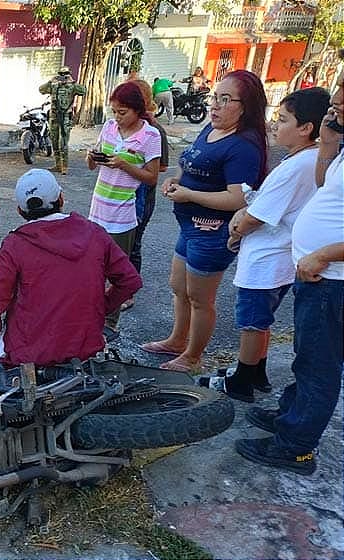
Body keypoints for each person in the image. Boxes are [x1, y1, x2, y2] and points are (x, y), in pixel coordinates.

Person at [0, 169, 141, 378]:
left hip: (29, 355)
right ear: (61, 198)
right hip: (86, 347)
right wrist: (100, 309)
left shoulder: (15, 245)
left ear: (20, 211)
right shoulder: (94, 233)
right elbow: (129, 281)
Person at [235, 76, 343, 476]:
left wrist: (325, 254)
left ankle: (296, 447)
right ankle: (290, 415)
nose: (338, 98)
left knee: (320, 366)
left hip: (332, 274)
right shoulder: (336, 145)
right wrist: (331, 142)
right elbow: (324, 185)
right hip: (319, 272)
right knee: (309, 355)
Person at [200, 88, 329, 401]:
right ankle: (255, 371)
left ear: (305, 128)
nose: (275, 124)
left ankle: (241, 381)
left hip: (267, 256)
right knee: (262, 319)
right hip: (280, 253)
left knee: (252, 322)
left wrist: (236, 229)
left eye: (283, 120)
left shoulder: (299, 165)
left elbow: (259, 214)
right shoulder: (308, 159)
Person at [141, 70, 268, 372]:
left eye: (226, 100)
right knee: (178, 286)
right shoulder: (210, 130)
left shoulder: (243, 145)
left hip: (213, 231)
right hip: (190, 225)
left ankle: (193, 357)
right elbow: (190, 163)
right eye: (215, 97)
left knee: (200, 298)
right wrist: (176, 180)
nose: (216, 106)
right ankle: (176, 340)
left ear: (245, 106)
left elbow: (238, 198)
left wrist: (189, 195)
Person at [86, 81, 161, 337]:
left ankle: (110, 323)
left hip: (123, 212)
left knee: (116, 271)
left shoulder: (150, 136)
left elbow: (152, 177)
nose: (117, 118)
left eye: (122, 112)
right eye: (114, 111)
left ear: (138, 110)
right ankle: (90, 315)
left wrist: (124, 165)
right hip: (98, 207)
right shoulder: (108, 128)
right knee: (91, 267)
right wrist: (92, 157)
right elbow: (92, 167)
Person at [124, 79, 170, 311]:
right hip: (121, 196)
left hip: (142, 197)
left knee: (134, 243)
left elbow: (160, 168)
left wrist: (132, 164)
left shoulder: (154, 132)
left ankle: (129, 292)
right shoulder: (121, 128)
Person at [38, 66, 86, 174]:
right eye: (61, 74)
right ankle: (58, 165)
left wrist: (72, 82)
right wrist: (51, 81)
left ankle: (64, 167)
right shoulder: (54, 86)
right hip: (54, 117)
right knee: (54, 141)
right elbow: (41, 89)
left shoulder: (72, 86)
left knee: (63, 142)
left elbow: (83, 91)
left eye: (65, 74)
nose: (63, 77)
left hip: (65, 117)